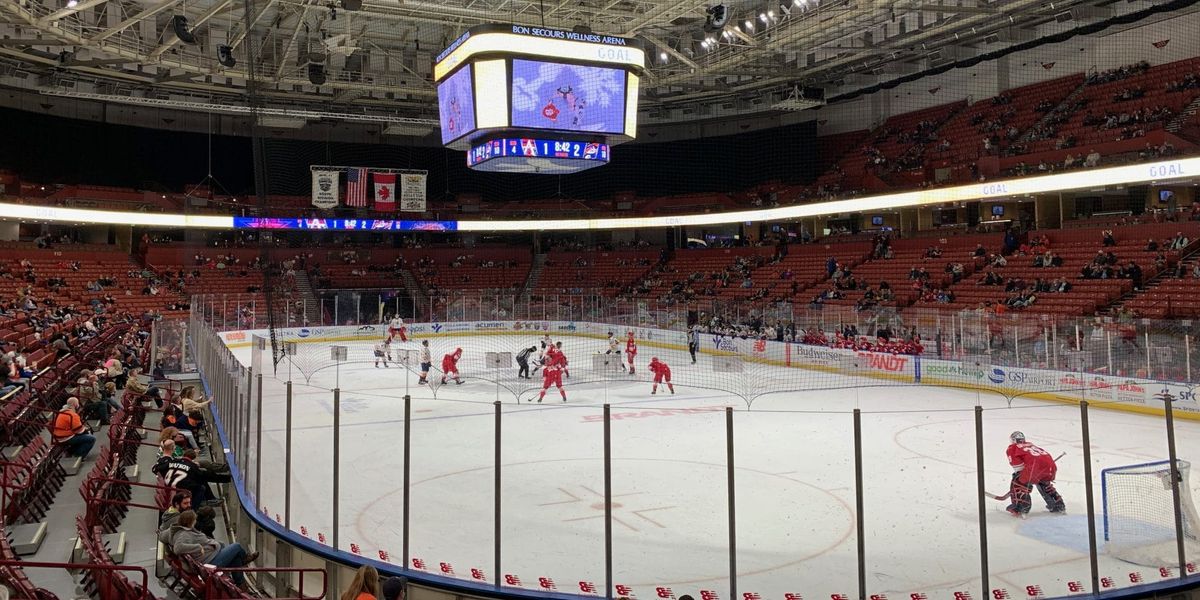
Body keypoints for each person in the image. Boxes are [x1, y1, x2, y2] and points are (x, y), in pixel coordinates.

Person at [159, 510, 257, 587]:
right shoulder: (185, 534)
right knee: (237, 546)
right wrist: (198, 547)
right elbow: (178, 548)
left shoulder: (176, 530)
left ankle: (241, 584)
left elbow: (161, 536)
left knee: (235, 558)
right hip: (209, 563)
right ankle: (244, 560)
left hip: (207, 558)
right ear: (190, 522)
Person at [1005, 431, 1065, 517]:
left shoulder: (1012, 448)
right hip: (1050, 467)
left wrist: (1025, 480)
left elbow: (1019, 468)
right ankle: (1058, 504)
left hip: (1034, 468)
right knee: (1043, 482)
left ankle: (1021, 507)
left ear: (1013, 440)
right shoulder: (1030, 444)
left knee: (1018, 481)